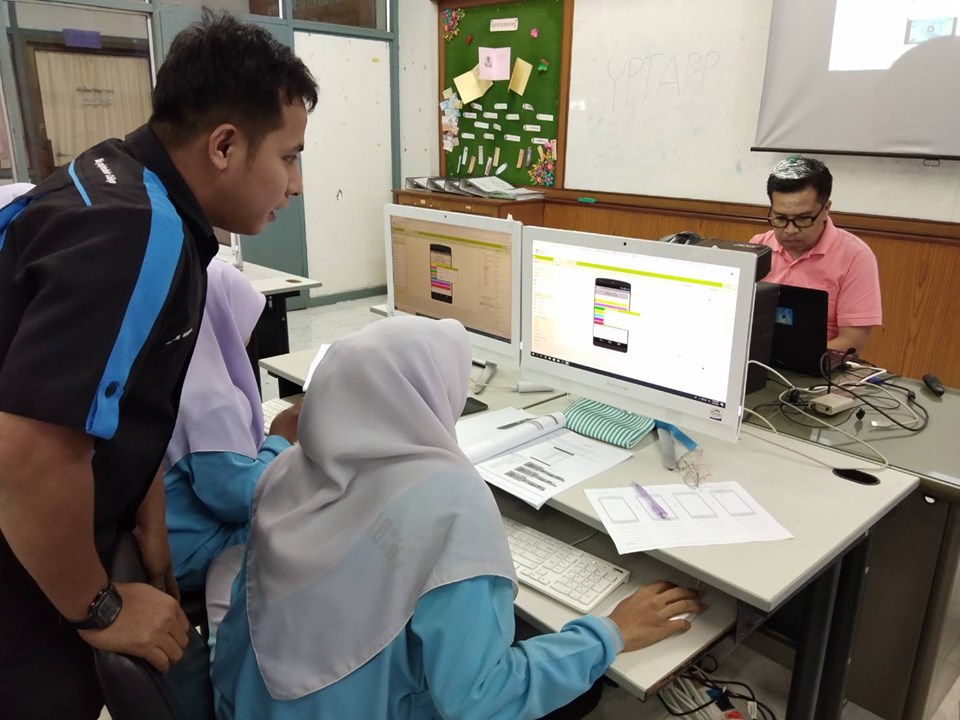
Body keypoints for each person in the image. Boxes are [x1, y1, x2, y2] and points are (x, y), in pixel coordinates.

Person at [0, 11, 317, 719]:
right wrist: (99, 606)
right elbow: (26, 455)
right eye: (289, 157)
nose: (294, 184)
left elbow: (120, 400)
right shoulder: (136, 235)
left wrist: (147, 521)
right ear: (225, 145)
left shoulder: (119, 179)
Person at [210, 316, 702, 720]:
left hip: (245, 703)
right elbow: (480, 700)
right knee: (585, 689)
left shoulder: (283, 469)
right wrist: (609, 634)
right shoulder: (450, 503)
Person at [164, 259, 300, 591]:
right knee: (315, 515)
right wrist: (280, 439)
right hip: (195, 554)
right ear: (222, 318)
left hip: (171, 539)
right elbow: (243, 499)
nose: (250, 333)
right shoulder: (207, 398)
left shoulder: (170, 376)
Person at [750, 156, 882, 353]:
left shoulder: (855, 256)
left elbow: (852, 341)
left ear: (826, 209)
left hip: (818, 365)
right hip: (757, 357)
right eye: (780, 218)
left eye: (803, 219)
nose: (790, 230)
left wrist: (793, 356)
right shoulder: (758, 246)